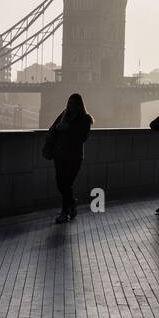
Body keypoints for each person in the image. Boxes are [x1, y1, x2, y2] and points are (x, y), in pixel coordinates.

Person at [45, 93, 93, 223]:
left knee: (66, 184)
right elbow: (51, 129)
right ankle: (71, 203)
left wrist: (68, 129)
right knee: (61, 183)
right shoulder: (63, 115)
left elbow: (83, 137)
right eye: (69, 103)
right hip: (60, 155)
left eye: (73, 103)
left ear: (79, 105)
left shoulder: (85, 119)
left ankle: (64, 213)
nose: (70, 106)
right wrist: (57, 127)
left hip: (74, 157)